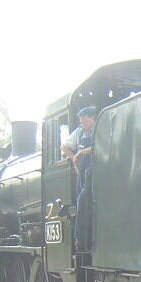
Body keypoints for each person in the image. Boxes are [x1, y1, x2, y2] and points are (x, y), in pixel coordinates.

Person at [61, 106, 97, 252]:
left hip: (95, 171)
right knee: (79, 202)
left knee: (83, 200)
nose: (82, 124)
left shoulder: (99, 129)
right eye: (81, 122)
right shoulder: (79, 132)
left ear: (92, 119)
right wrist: (73, 159)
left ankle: (80, 239)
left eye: (84, 121)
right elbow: (63, 147)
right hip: (82, 172)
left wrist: (81, 152)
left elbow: (100, 146)